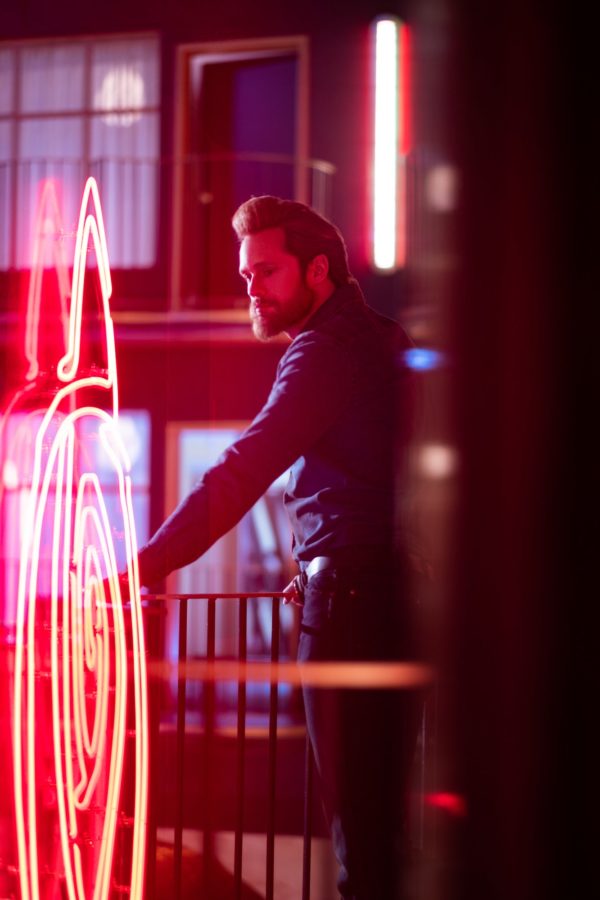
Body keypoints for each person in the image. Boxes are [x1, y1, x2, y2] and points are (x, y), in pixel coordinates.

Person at [136, 196, 422, 899]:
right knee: (383, 828)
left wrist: (145, 565)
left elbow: (244, 468)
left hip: (350, 605)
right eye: (246, 275)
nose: (252, 289)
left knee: (360, 838)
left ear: (317, 270)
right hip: (390, 596)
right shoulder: (384, 339)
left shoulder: (323, 351)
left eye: (266, 271)